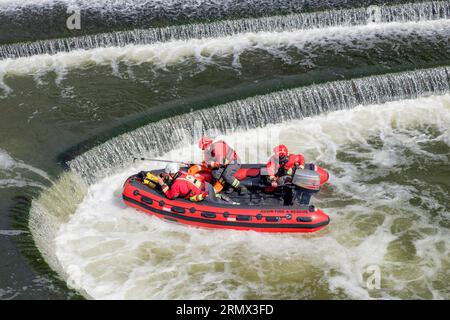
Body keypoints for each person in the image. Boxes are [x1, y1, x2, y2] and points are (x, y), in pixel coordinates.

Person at [157, 163, 224, 203]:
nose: (167, 175)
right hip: (207, 186)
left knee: (218, 204)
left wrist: (162, 184)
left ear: (172, 174)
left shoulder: (176, 185)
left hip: (203, 195)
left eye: (168, 174)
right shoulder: (183, 173)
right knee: (217, 199)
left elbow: (171, 196)